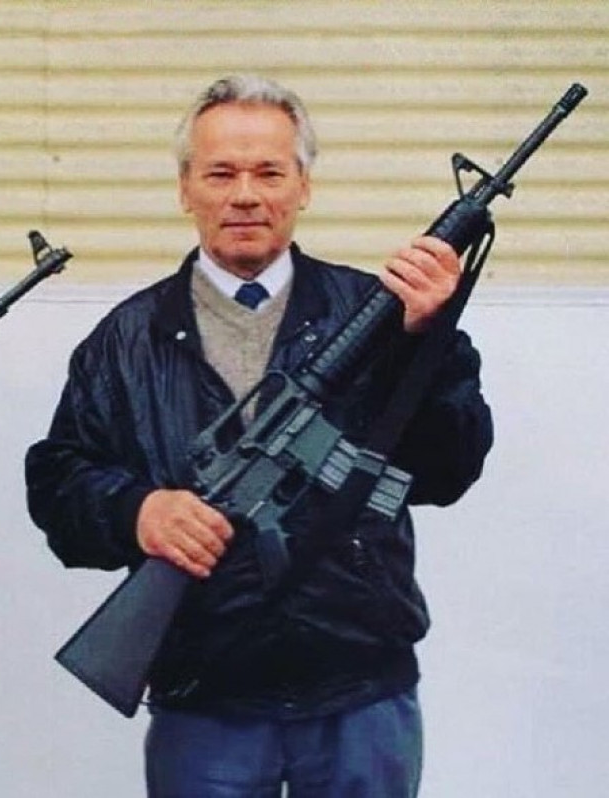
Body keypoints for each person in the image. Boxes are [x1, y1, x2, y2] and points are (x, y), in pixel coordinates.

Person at [25, 74, 493, 797]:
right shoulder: (125, 339)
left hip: (360, 694)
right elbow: (59, 484)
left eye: (269, 171)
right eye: (221, 172)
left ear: (303, 186)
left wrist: (427, 343)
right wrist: (137, 511)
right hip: (206, 702)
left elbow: (449, 468)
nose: (245, 194)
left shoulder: (379, 313)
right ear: (186, 189)